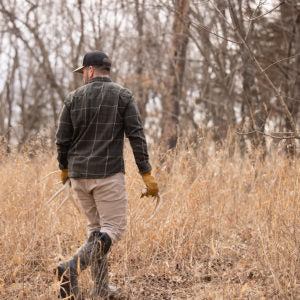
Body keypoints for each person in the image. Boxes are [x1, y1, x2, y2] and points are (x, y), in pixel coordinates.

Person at [55, 50, 159, 299]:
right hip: (108, 175)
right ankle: (72, 268)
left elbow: (62, 140)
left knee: (96, 231)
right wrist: (146, 173)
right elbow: (136, 136)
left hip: (79, 176)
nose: (83, 77)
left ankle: (101, 288)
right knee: (114, 229)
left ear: (90, 71)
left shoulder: (72, 98)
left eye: (83, 73)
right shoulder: (123, 96)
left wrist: (64, 169)